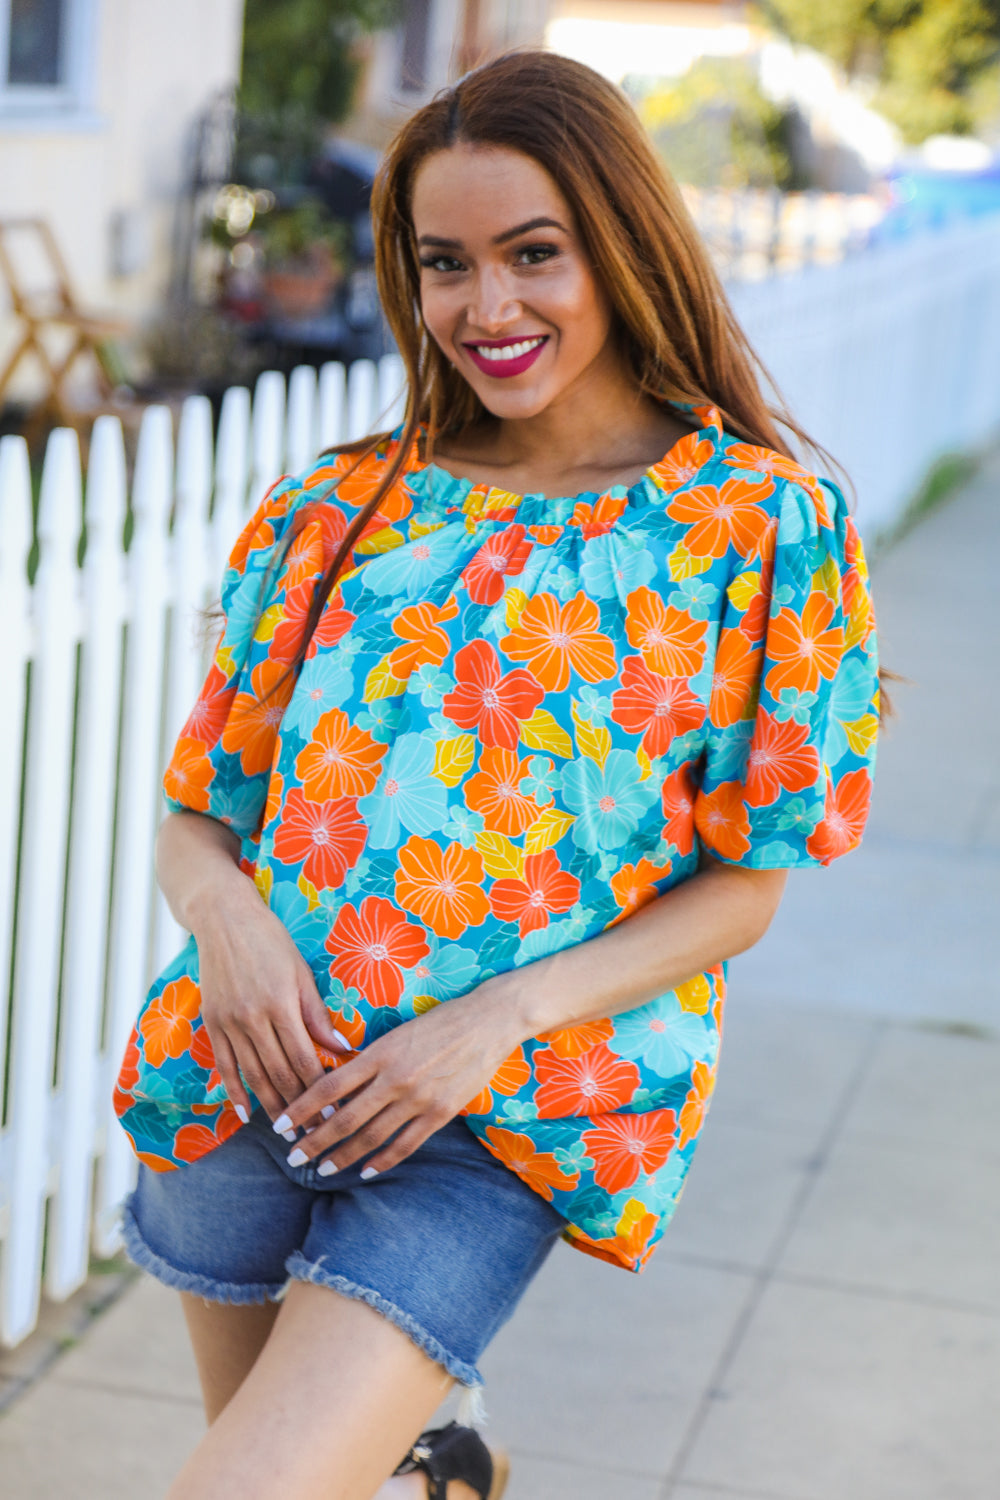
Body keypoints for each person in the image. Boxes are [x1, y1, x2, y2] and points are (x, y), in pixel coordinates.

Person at [114, 49, 880, 1500]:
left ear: (625, 245)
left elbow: (750, 887)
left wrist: (496, 1021)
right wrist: (226, 925)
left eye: (536, 254)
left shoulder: (761, 528)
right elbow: (199, 816)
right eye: (446, 264)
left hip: (500, 1113)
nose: (488, 308)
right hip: (242, 1087)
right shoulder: (336, 508)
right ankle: (445, 1469)